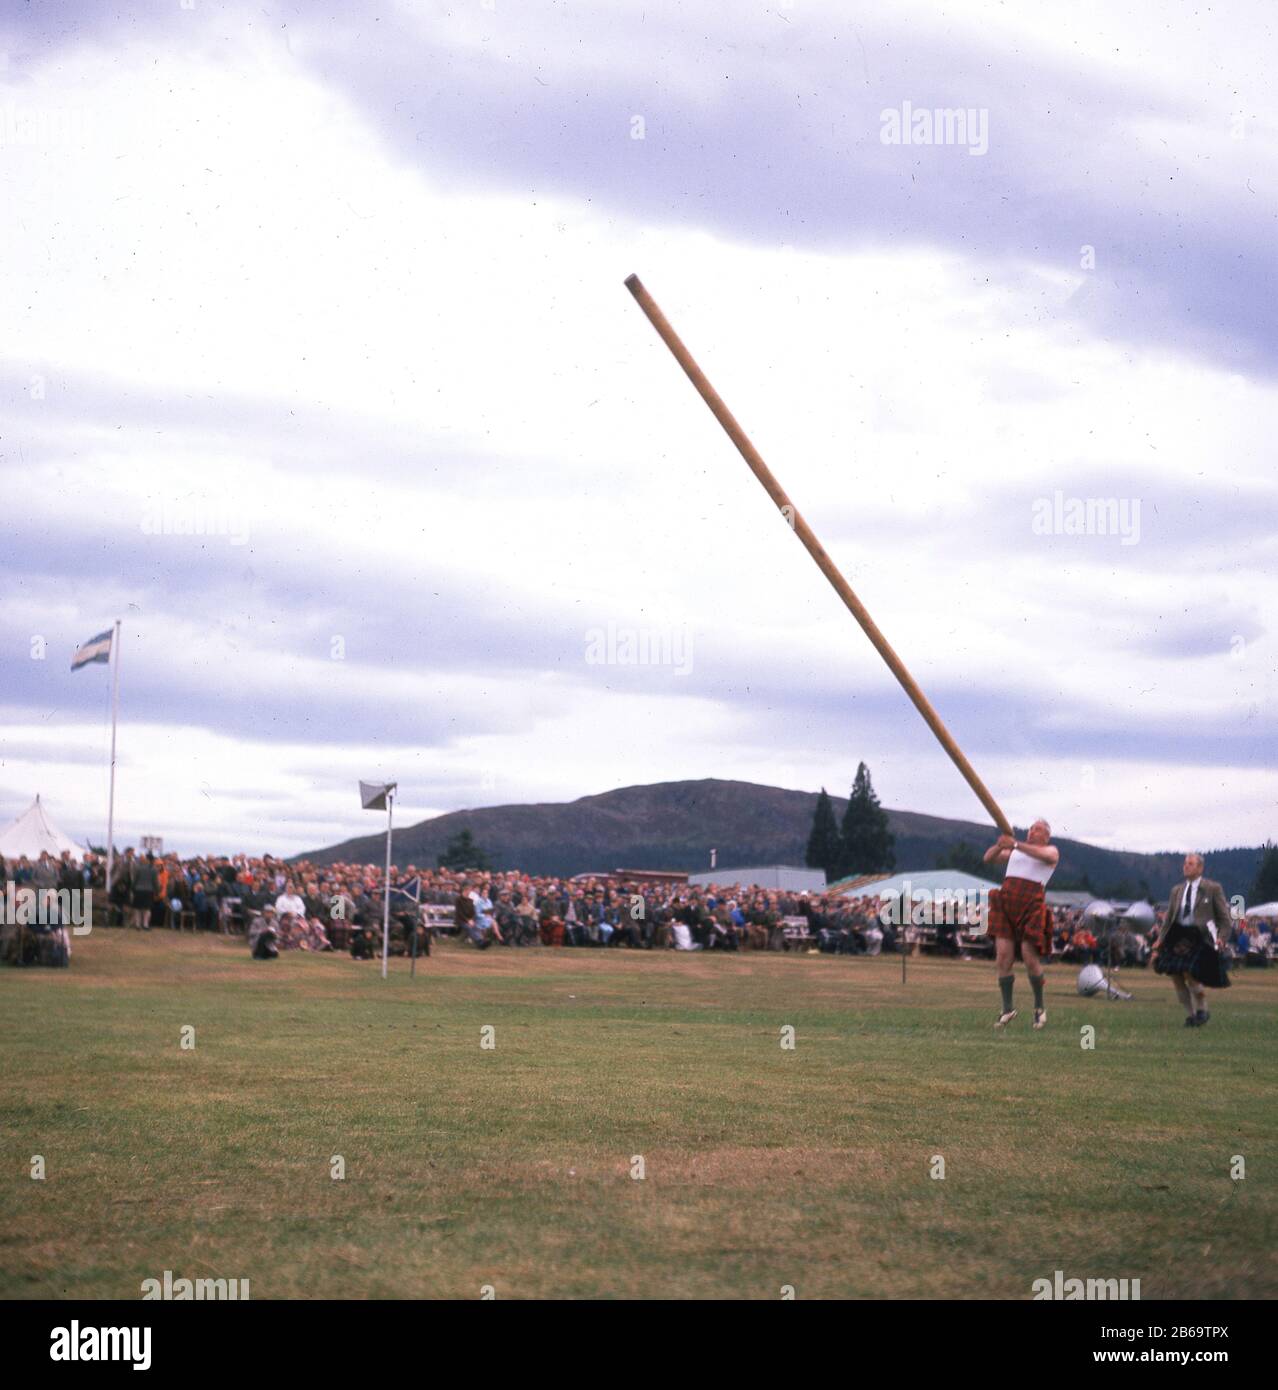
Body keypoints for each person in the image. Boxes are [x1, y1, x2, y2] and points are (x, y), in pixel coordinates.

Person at [984, 819, 1059, 1030]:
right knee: (1003, 957)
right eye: (1030, 828)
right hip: (1007, 902)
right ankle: (1007, 1009)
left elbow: (1047, 856)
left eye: (1037, 829)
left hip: (1031, 906)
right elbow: (988, 858)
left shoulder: (1050, 851)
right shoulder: (1014, 852)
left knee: (1029, 957)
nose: (1031, 831)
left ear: (1046, 835)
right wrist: (1001, 844)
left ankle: (1039, 1008)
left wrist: (1015, 844)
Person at [1152, 853, 1231, 1026]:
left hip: (1199, 936)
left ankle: (1202, 1009)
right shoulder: (1177, 890)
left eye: (1190, 863)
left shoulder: (1212, 888)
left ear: (1200, 868)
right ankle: (1192, 1014)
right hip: (1177, 935)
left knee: (1190, 974)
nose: (1186, 866)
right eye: (1185, 863)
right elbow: (1169, 919)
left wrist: (1222, 938)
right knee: (1175, 975)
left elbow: (1225, 919)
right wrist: (1160, 939)